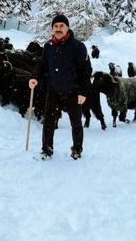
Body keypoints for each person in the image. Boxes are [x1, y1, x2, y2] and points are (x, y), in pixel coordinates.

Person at [28, 14, 92, 160]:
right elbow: (42, 64)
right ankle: (47, 149)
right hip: (54, 90)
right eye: (55, 26)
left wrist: (83, 92)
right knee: (48, 122)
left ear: (67, 28)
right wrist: (34, 77)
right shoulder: (48, 46)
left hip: (73, 91)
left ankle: (77, 149)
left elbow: (86, 70)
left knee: (76, 123)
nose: (58, 29)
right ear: (52, 29)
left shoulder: (78, 46)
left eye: (61, 26)